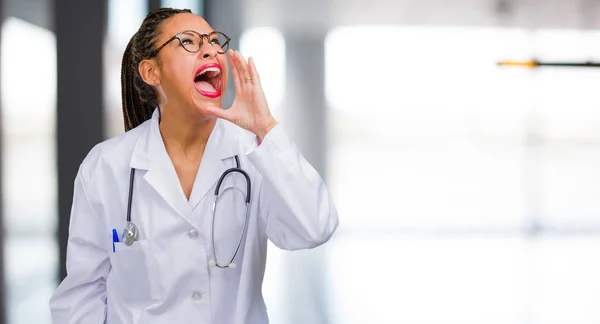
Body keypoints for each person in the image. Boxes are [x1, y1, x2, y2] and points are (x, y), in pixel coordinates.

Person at [48, 7, 339, 324]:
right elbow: (82, 296)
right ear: (151, 72)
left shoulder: (253, 153)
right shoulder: (106, 166)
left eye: (215, 41)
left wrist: (264, 127)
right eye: (189, 42)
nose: (211, 50)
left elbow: (315, 228)